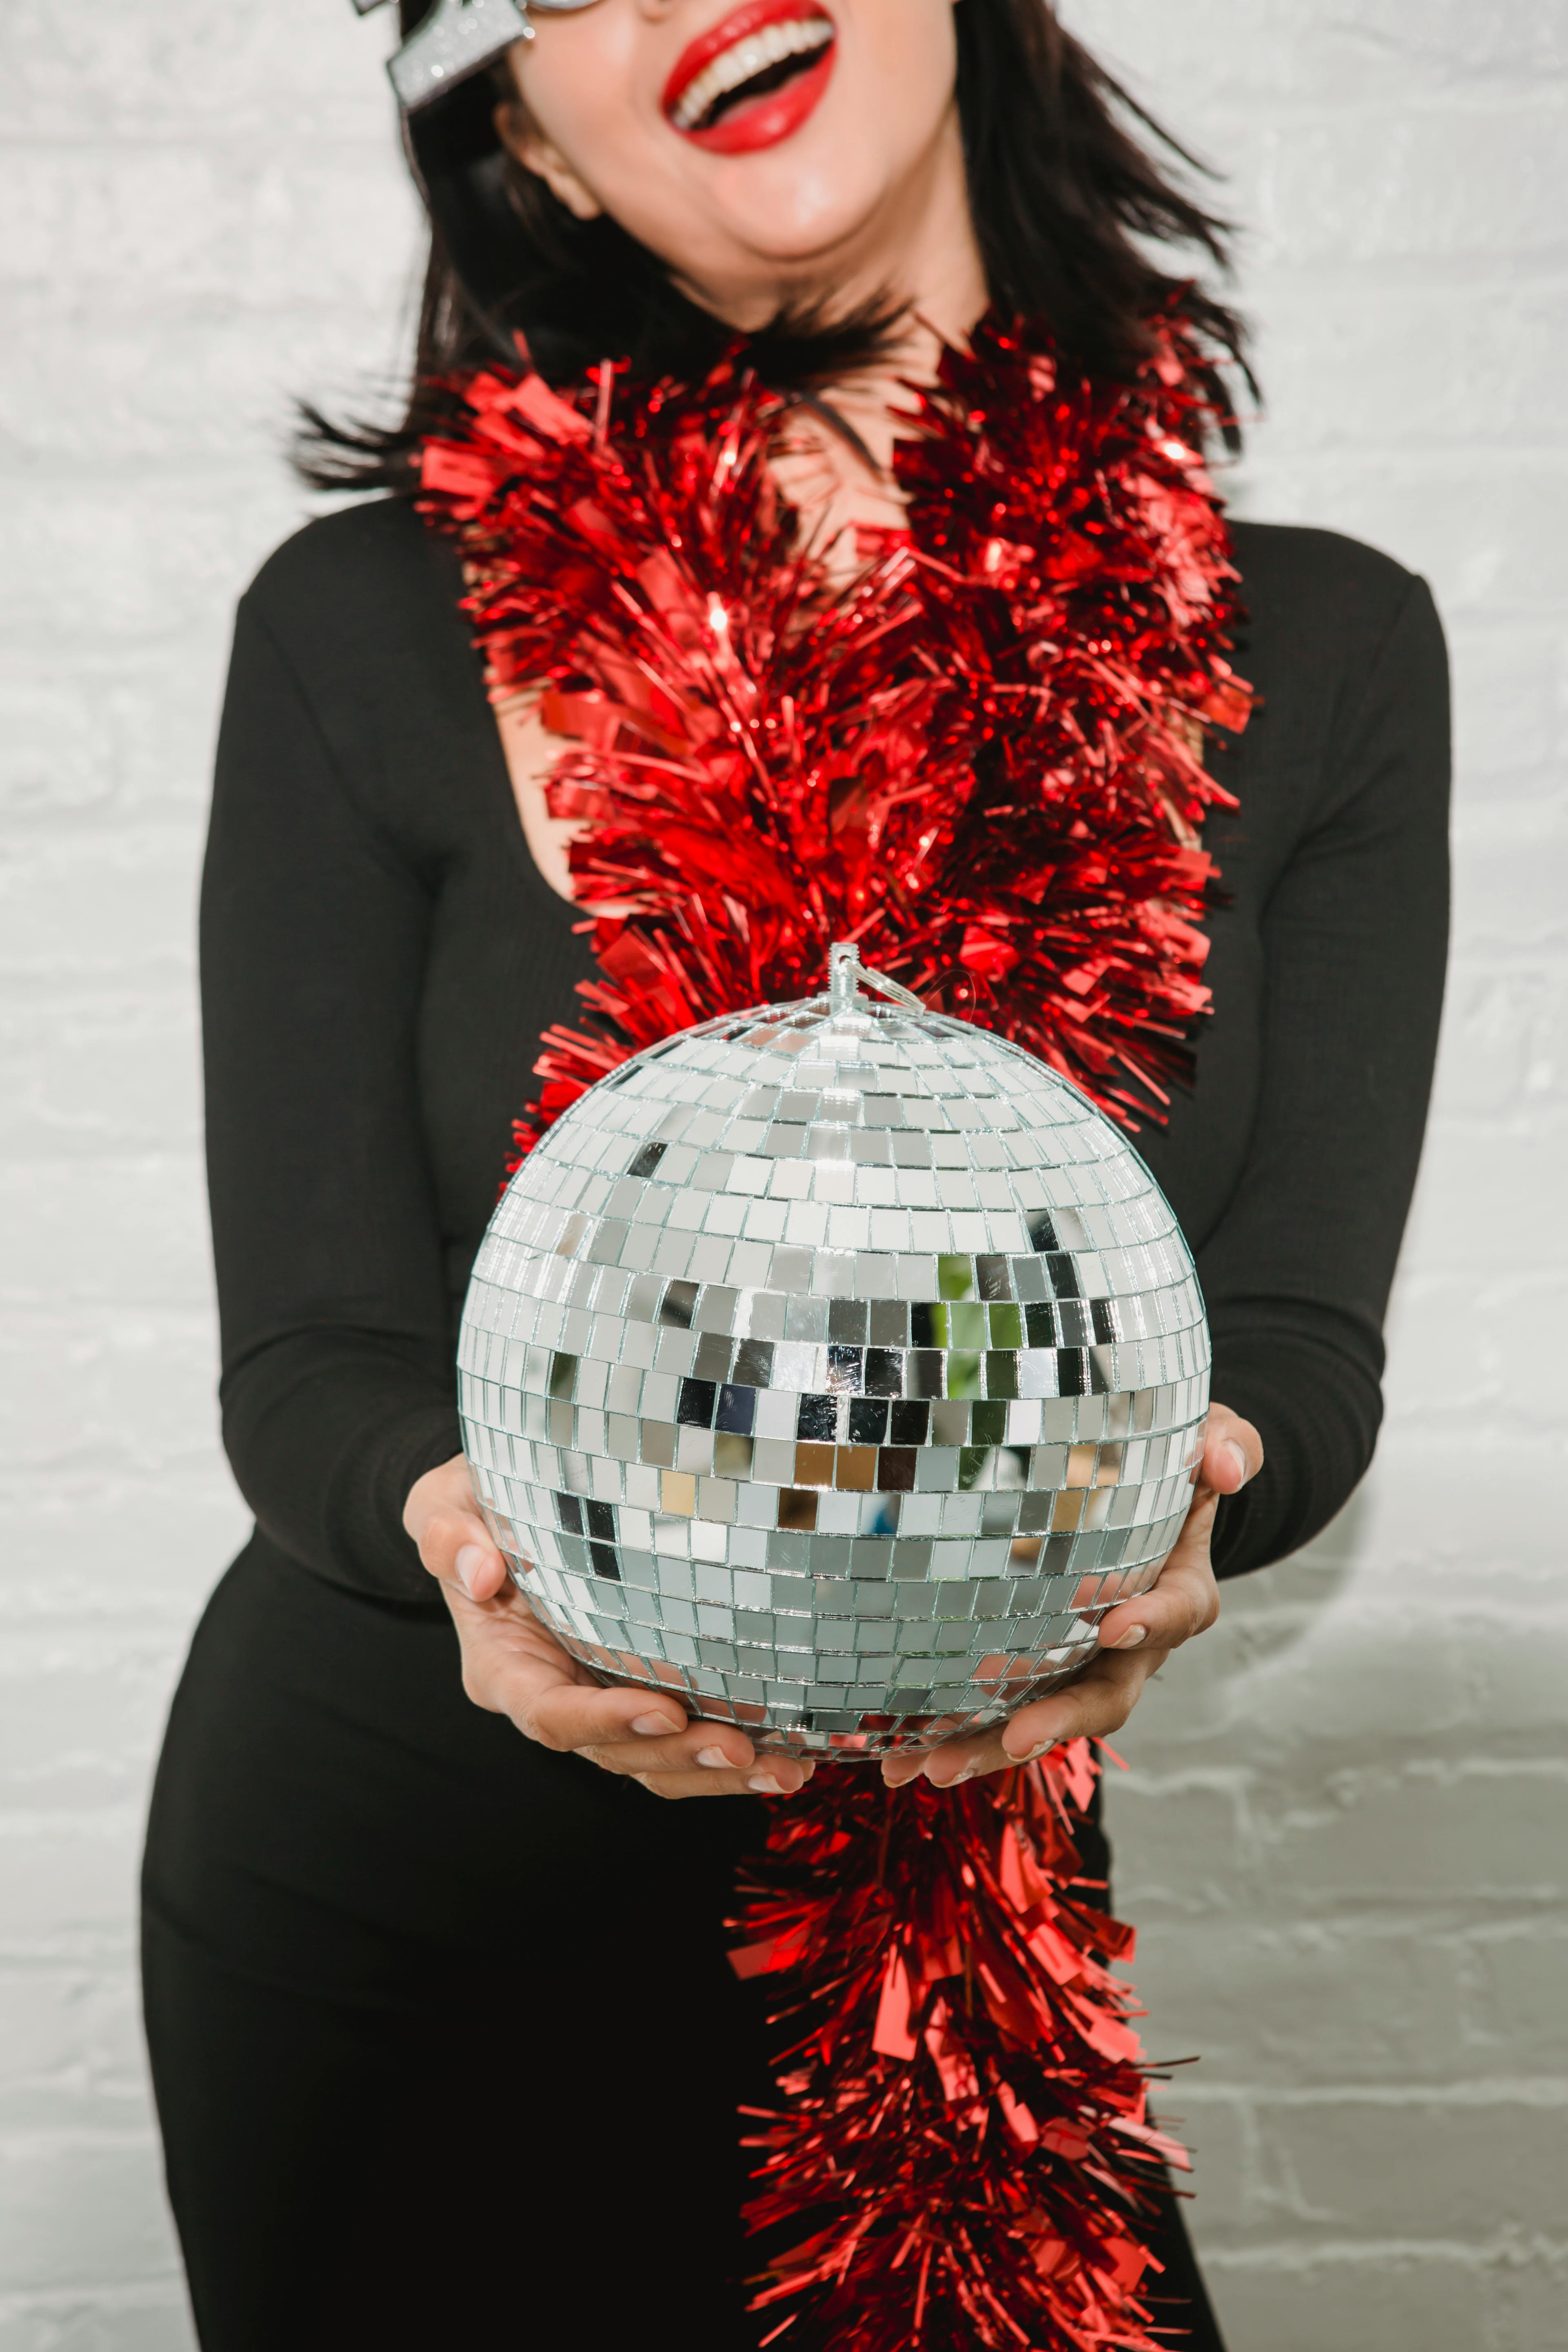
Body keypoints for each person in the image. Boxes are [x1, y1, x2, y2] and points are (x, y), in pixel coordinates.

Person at [141, 2, 1449, 2345]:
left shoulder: (1325, 647)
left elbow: (1296, 1340)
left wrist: (1185, 1501)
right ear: (527, 152)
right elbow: (318, 1353)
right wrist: (474, 1543)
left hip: (957, 1945)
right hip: (402, 1888)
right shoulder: (362, 629)